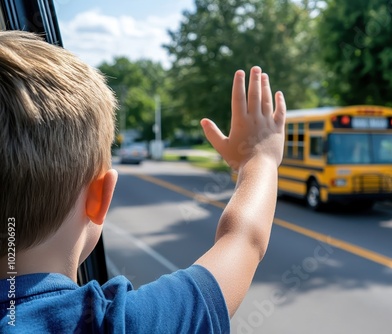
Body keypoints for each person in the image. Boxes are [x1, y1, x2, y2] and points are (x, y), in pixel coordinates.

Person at [0, 31, 286, 333]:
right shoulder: (118, 324)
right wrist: (260, 159)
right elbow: (243, 241)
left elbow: (243, 240)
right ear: (100, 198)